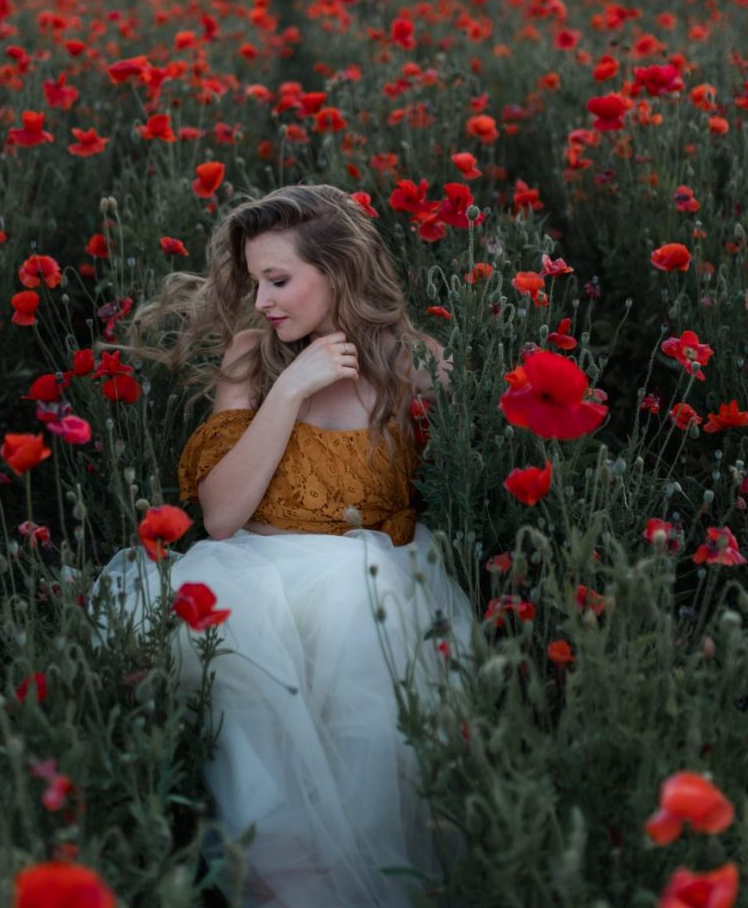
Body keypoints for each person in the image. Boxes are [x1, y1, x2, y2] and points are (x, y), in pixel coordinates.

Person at [94, 184, 474, 908]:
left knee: (354, 632)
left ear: (336, 272)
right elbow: (223, 515)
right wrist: (289, 389)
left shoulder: (411, 362)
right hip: (250, 575)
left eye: (279, 279)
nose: (262, 299)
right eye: (255, 279)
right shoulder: (253, 357)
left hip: (371, 583)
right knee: (253, 707)